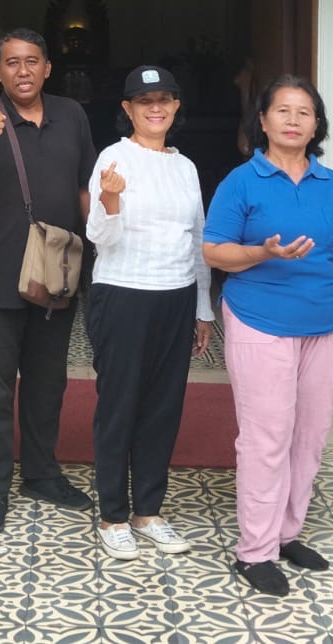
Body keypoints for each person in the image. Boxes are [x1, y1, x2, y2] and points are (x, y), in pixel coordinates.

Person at [203, 75, 333, 598]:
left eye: (305, 112)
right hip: (260, 320)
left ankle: (287, 533)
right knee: (267, 436)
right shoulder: (241, 182)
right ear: (264, 120)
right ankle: (255, 550)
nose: (294, 120)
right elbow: (214, 252)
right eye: (283, 110)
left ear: (317, 125)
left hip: (327, 326)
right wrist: (263, 252)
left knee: (311, 435)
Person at [0, 28, 97, 534]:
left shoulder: (71, 116)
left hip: (56, 274)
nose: (23, 71)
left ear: (48, 68)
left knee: (48, 381)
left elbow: (84, 188)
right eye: (12, 62)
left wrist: (102, 244)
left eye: (32, 61)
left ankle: (41, 473)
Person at [84, 65, 215, 560]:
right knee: (120, 406)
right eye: (144, 101)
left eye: (164, 99)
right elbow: (100, 238)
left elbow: (198, 239)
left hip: (175, 295)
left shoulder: (186, 167)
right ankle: (113, 515)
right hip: (123, 294)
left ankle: (148, 511)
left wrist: (203, 307)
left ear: (176, 106)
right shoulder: (113, 158)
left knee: (163, 408)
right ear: (128, 109)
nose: (155, 108)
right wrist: (110, 198)